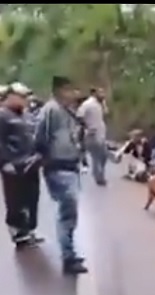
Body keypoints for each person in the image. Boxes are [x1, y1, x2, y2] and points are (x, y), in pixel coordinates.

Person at [34, 76, 87, 275]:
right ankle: (68, 256)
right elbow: (39, 136)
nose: (73, 94)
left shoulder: (67, 111)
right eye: (70, 90)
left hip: (70, 166)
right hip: (58, 167)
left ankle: (70, 251)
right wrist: (46, 157)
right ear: (60, 90)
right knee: (67, 209)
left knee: (70, 212)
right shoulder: (50, 110)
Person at [0, 82, 44, 249]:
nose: (26, 100)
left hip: (30, 164)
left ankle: (30, 230)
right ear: (11, 96)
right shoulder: (3, 115)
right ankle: (18, 233)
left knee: (31, 199)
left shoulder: (27, 114)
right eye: (22, 97)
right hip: (13, 165)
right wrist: (4, 162)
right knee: (15, 201)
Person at [77, 86, 109, 186]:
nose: (103, 95)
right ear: (95, 93)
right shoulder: (87, 104)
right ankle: (99, 177)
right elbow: (79, 115)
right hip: (92, 134)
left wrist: (103, 103)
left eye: (104, 93)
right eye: (100, 93)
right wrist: (87, 127)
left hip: (101, 134)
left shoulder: (101, 103)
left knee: (104, 156)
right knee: (96, 156)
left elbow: (106, 113)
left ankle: (99, 174)